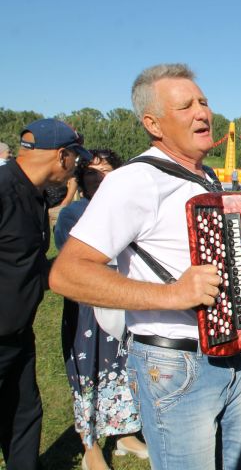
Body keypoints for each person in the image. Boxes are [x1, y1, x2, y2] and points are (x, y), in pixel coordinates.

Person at [49, 63, 241, 469]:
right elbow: (67, 273)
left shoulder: (205, 175)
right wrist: (172, 294)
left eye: (204, 102)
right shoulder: (135, 179)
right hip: (176, 364)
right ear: (153, 123)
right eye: (186, 106)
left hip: (229, 355)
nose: (203, 112)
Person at [1, 118, 90, 469]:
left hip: (18, 333)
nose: (74, 171)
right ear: (62, 156)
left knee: (24, 415)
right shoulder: (4, 189)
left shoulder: (32, 193)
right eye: (75, 160)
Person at [54, 149, 147, 470]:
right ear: (81, 179)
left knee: (125, 367)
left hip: (125, 299)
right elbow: (74, 263)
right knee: (89, 372)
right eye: (92, 172)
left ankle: (125, 433)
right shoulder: (74, 212)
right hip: (88, 309)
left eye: (106, 171)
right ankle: (90, 447)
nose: (99, 177)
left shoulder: (127, 208)